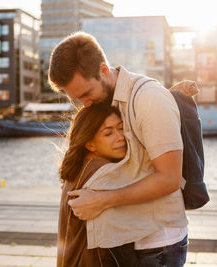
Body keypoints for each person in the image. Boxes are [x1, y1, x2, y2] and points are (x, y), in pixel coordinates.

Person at [49, 32, 197, 266]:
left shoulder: (149, 99)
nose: (84, 104)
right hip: (126, 240)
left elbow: (169, 179)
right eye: (77, 99)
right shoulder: (110, 99)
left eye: (86, 94)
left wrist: (101, 200)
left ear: (104, 70)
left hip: (156, 244)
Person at [57, 104, 139, 267]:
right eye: (108, 133)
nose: (120, 137)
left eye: (121, 128)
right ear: (90, 144)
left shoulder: (81, 167)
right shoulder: (103, 172)